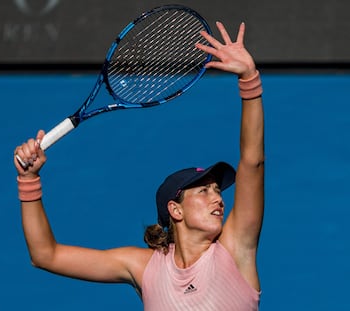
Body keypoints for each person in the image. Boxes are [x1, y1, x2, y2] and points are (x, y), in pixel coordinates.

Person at [14, 21, 265, 311]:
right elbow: (45, 255)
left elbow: (252, 162)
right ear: (175, 210)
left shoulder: (235, 249)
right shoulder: (143, 267)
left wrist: (249, 79)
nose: (219, 198)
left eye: (217, 191)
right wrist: (29, 180)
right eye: (204, 191)